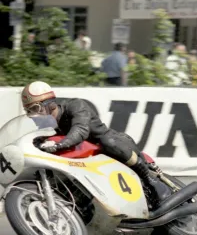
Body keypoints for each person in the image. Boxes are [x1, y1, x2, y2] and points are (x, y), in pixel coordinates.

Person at [21, 81, 171, 204]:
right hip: (90, 161)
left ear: (50, 104)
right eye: (29, 111)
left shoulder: (76, 105)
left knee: (108, 142)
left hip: (113, 146)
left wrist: (59, 144)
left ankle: (149, 179)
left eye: (35, 108)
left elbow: (80, 130)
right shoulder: (47, 128)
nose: (33, 115)